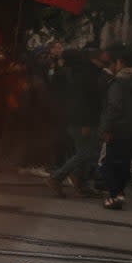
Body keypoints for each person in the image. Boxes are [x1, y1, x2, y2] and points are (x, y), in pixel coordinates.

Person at [47, 48, 105, 198]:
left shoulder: (77, 72)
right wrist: (86, 122)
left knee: (83, 153)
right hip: (82, 120)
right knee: (84, 153)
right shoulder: (82, 74)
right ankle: (57, 177)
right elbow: (84, 100)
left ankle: (81, 184)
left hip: (77, 119)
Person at [97, 47, 132, 209]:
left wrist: (106, 128)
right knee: (125, 162)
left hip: (117, 129)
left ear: (121, 63)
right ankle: (120, 192)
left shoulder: (118, 82)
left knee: (110, 162)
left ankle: (114, 195)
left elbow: (114, 106)